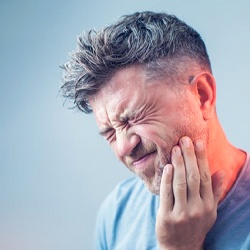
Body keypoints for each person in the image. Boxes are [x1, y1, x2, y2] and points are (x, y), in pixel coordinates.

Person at [60, 11, 250, 250]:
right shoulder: (117, 212)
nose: (123, 147)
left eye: (133, 118)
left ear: (202, 96)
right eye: (109, 132)